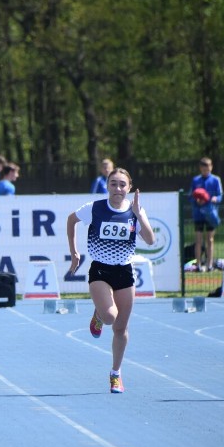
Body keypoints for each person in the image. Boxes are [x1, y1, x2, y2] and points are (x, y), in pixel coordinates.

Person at [66, 167, 156, 393]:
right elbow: (71, 220)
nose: (118, 188)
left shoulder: (135, 210)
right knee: (109, 316)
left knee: (120, 329)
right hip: (100, 271)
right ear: (107, 186)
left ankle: (115, 374)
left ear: (130, 187)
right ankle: (99, 313)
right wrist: (74, 252)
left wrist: (137, 213)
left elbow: (151, 239)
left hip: (124, 272)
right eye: (113, 184)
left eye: (122, 184)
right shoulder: (95, 208)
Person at [189, 157, 223, 271]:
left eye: (208, 167)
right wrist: (197, 200)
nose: (206, 170)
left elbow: (220, 196)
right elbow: (191, 196)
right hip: (198, 214)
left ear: (211, 167)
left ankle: (210, 264)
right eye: (204, 168)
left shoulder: (215, 180)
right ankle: (198, 265)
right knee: (198, 240)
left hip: (211, 215)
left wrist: (214, 199)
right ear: (200, 168)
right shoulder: (195, 180)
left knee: (210, 239)